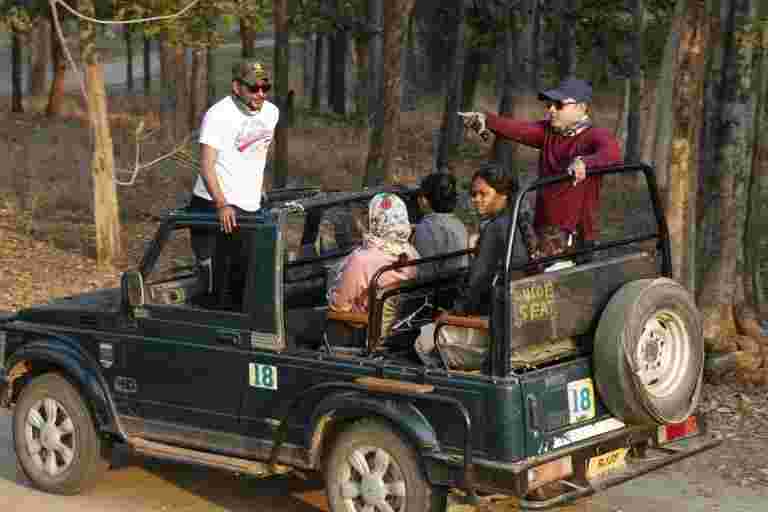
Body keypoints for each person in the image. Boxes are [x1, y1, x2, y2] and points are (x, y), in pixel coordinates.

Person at [460, 77, 622, 256]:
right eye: (549, 105)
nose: (551, 109)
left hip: (576, 239)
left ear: (581, 107)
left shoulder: (596, 135)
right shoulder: (547, 132)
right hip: (542, 233)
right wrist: (486, 119)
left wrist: (585, 162)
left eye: (559, 105)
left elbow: (612, 154)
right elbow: (518, 129)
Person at [414, 163, 527, 369]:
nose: (476, 199)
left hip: (496, 328)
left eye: (483, 194)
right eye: (474, 194)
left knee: (423, 341)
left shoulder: (495, 229)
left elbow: (477, 282)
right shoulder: (517, 222)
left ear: (503, 195)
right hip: (514, 319)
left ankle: (445, 383)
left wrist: (452, 315)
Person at [189, 60, 280, 262]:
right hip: (212, 205)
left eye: (265, 88)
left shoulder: (272, 113)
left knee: (249, 271)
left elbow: (260, 150)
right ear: (237, 87)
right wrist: (222, 204)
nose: (260, 94)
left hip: (250, 205)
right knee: (216, 273)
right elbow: (206, 166)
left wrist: (259, 186)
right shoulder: (218, 115)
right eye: (253, 88)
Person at [327, 193, 420, 338]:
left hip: (362, 330)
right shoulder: (412, 252)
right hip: (402, 329)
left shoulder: (361, 260)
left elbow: (339, 306)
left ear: (374, 219)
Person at [412, 172, 469, 277]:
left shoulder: (425, 227)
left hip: (438, 285)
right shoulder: (459, 223)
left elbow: (425, 271)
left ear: (424, 200)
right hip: (459, 282)